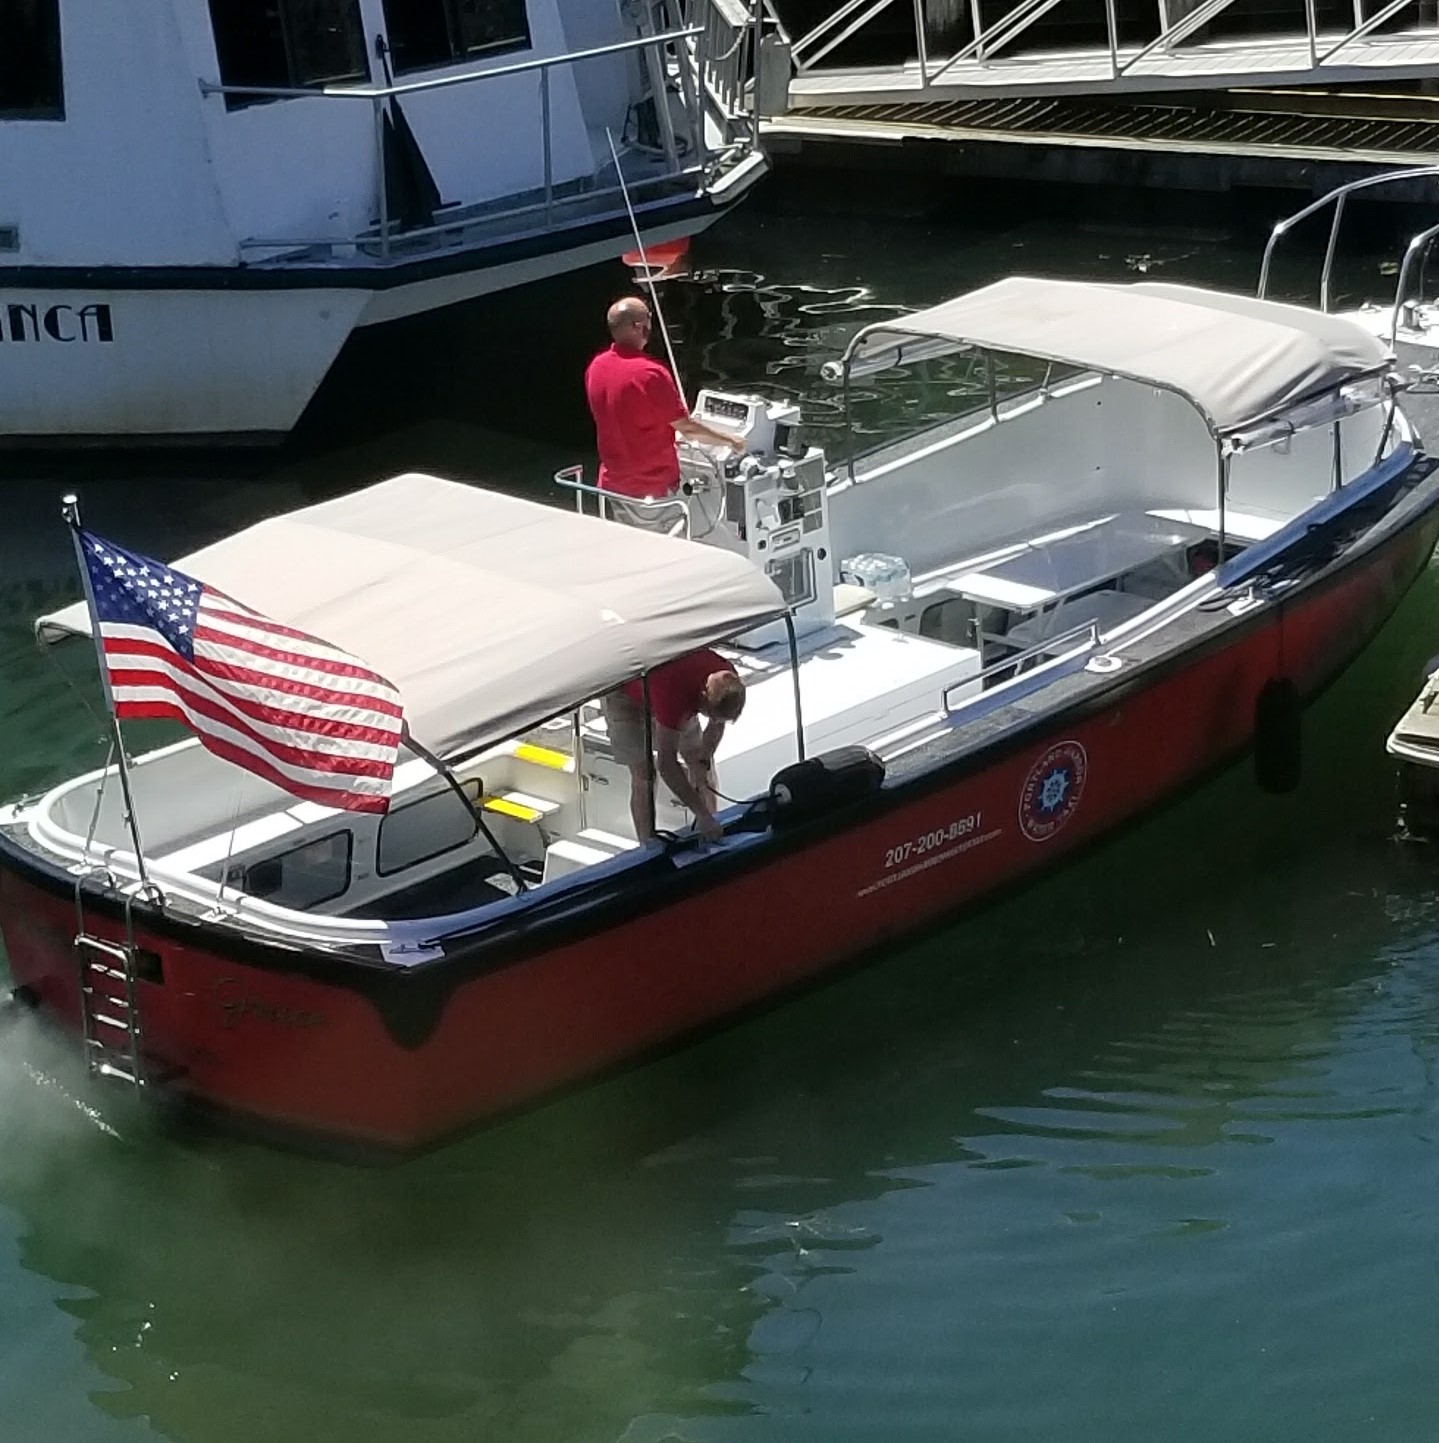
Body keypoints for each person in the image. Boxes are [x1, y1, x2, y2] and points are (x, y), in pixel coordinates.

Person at [584, 296, 745, 527]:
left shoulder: (596, 367)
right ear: (639, 327)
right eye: (648, 319)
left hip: (613, 484)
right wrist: (731, 440)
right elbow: (687, 428)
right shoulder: (651, 373)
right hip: (652, 489)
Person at [603, 647, 747, 842]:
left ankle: (713, 830)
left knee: (700, 763)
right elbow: (666, 764)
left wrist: (702, 761)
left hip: (668, 688)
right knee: (644, 774)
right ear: (702, 697)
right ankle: (648, 847)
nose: (714, 720)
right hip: (624, 692)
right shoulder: (675, 696)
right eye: (711, 715)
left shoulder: (727, 679)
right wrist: (700, 813)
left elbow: (716, 724)